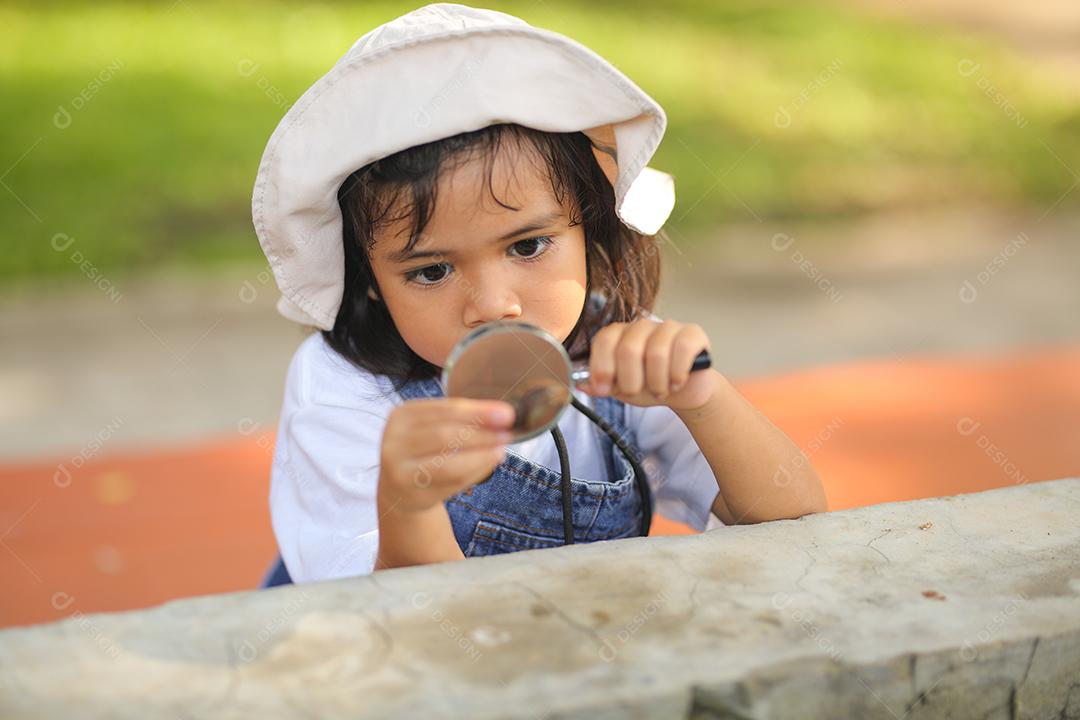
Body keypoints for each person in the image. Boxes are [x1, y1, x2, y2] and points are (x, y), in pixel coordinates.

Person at [253, 3, 826, 587]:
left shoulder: (617, 354)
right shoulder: (344, 392)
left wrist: (705, 401)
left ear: (589, 226)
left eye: (527, 247)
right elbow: (396, 622)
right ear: (370, 283)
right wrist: (410, 506)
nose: (493, 305)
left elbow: (796, 519)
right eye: (431, 272)